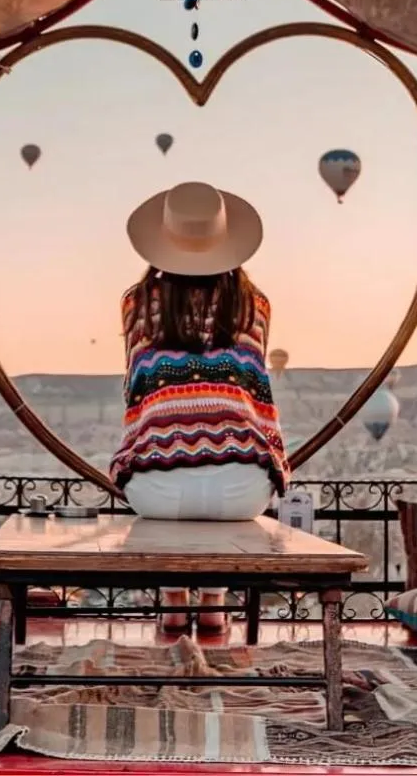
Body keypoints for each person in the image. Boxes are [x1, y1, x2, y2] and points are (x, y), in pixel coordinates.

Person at [111, 181, 289, 632]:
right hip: (242, 487)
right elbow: (255, 392)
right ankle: (213, 599)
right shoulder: (255, 306)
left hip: (156, 488)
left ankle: (173, 598)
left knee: (171, 465)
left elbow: (137, 392)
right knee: (223, 474)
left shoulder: (136, 305)